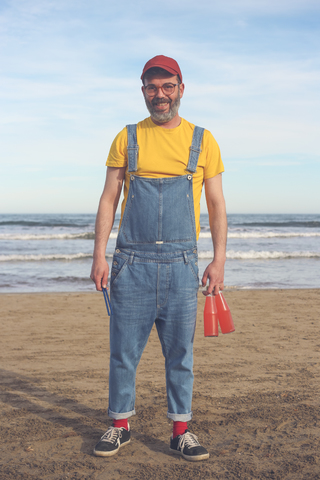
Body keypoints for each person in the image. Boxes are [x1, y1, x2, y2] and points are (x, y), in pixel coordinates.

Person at [90, 55, 227, 462]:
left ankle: (180, 430)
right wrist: (99, 254)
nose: (160, 94)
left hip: (184, 266)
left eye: (168, 86)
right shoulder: (127, 137)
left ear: (181, 89)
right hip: (131, 263)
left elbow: (216, 205)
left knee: (180, 353)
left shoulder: (203, 140)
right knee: (123, 351)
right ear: (143, 90)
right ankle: (120, 426)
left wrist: (218, 260)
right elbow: (109, 199)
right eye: (152, 87)